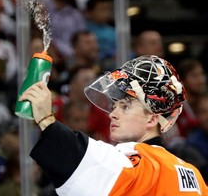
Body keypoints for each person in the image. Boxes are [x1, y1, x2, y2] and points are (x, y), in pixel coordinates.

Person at [19, 55, 208, 195]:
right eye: (114, 106)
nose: (113, 114)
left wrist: (45, 119)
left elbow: (83, 161)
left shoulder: (141, 165)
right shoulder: (194, 175)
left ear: (152, 119)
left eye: (125, 107)